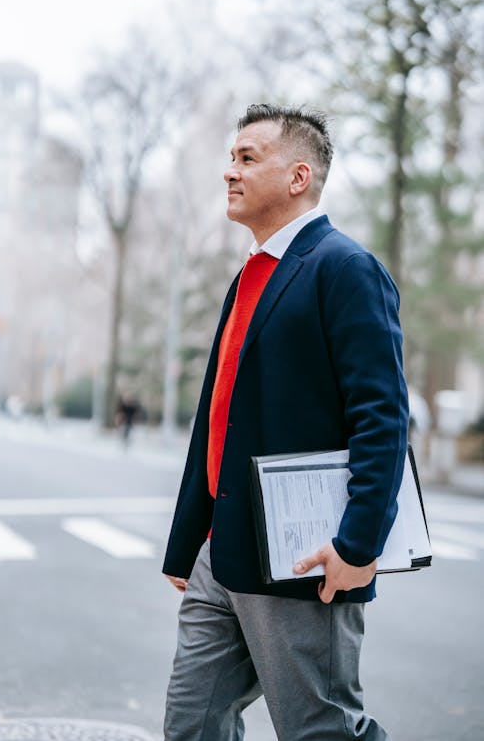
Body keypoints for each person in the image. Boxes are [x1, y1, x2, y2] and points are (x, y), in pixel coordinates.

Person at [162, 104, 409, 740]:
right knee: (192, 724)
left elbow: (382, 418)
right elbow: (221, 413)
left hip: (301, 555)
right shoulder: (251, 275)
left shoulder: (345, 268)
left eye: (248, 158)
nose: (230, 172)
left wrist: (359, 547)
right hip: (224, 549)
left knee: (321, 731)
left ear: (298, 176)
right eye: (231, 158)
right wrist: (191, 534)